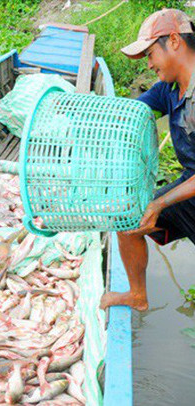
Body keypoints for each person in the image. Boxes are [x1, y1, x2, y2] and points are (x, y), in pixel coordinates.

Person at [100, 9, 195, 311]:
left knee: (149, 208)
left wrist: (159, 203)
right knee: (128, 219)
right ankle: (137, 295)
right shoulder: (168, 88)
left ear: (175, 41)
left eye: (151, 53)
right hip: (188, 189)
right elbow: (129, 116)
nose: (149, 64)